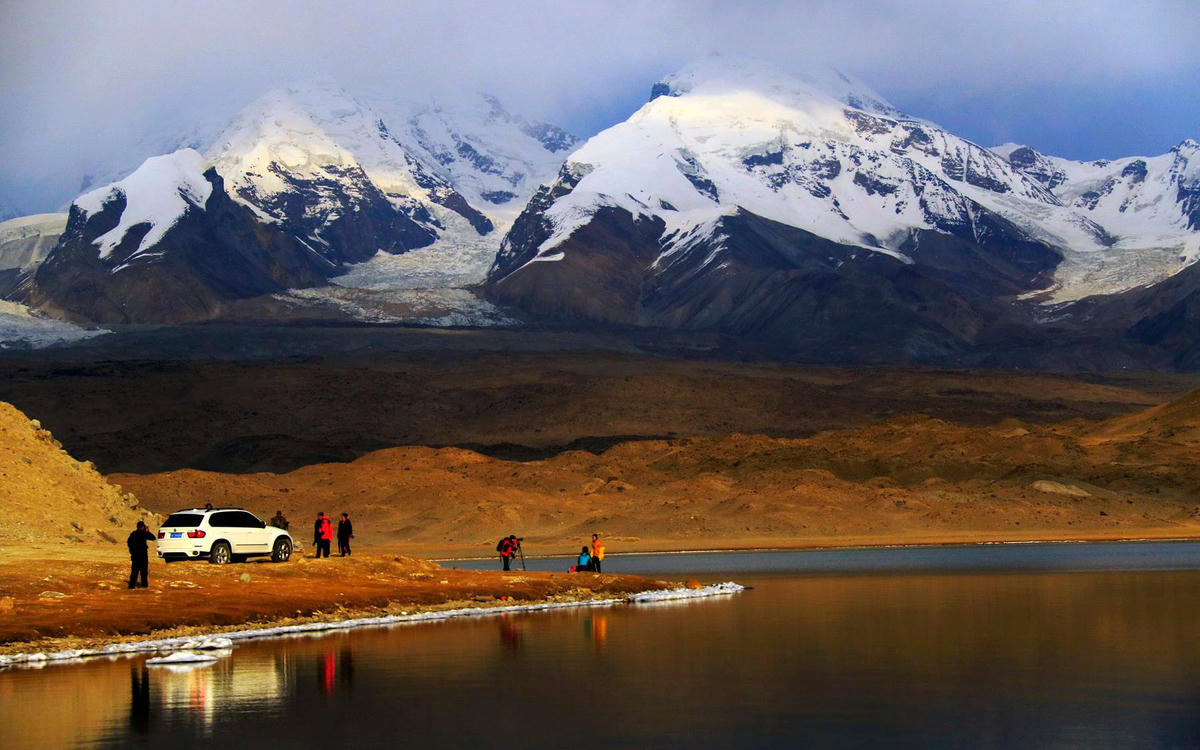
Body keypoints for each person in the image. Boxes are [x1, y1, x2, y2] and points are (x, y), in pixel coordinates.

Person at [126, 520, 156, 589]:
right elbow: (153, 537)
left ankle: (131, 586)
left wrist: (132, 551)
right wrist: (147, 531)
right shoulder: (144, 533)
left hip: (135, 557)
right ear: (143, 527)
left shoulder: (133, 534)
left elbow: (129, 543)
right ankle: (144, 586)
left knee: (134, 572)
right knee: (144, 573)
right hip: (143, 557)